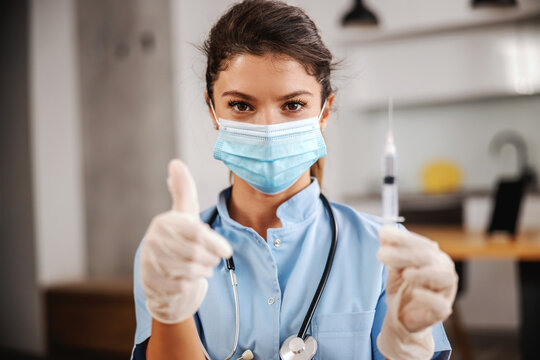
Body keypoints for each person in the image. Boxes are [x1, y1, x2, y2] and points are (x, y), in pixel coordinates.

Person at [132, 1, 458, 359]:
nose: (268, 128)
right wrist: (171, 311)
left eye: (292, 105)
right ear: (213, 110)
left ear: (324, 111)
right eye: (242, 105)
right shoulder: (172, 252)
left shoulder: (386, 254)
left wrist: (410, 346)